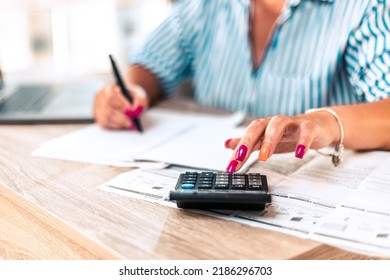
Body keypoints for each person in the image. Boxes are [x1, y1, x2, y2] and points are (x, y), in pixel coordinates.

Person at [94, 0, 390, 173]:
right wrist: (132, 92)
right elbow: (150, 64)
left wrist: (325, 122)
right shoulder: (206, 5)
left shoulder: (364, 7)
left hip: (311, 182)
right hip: (205, 177)